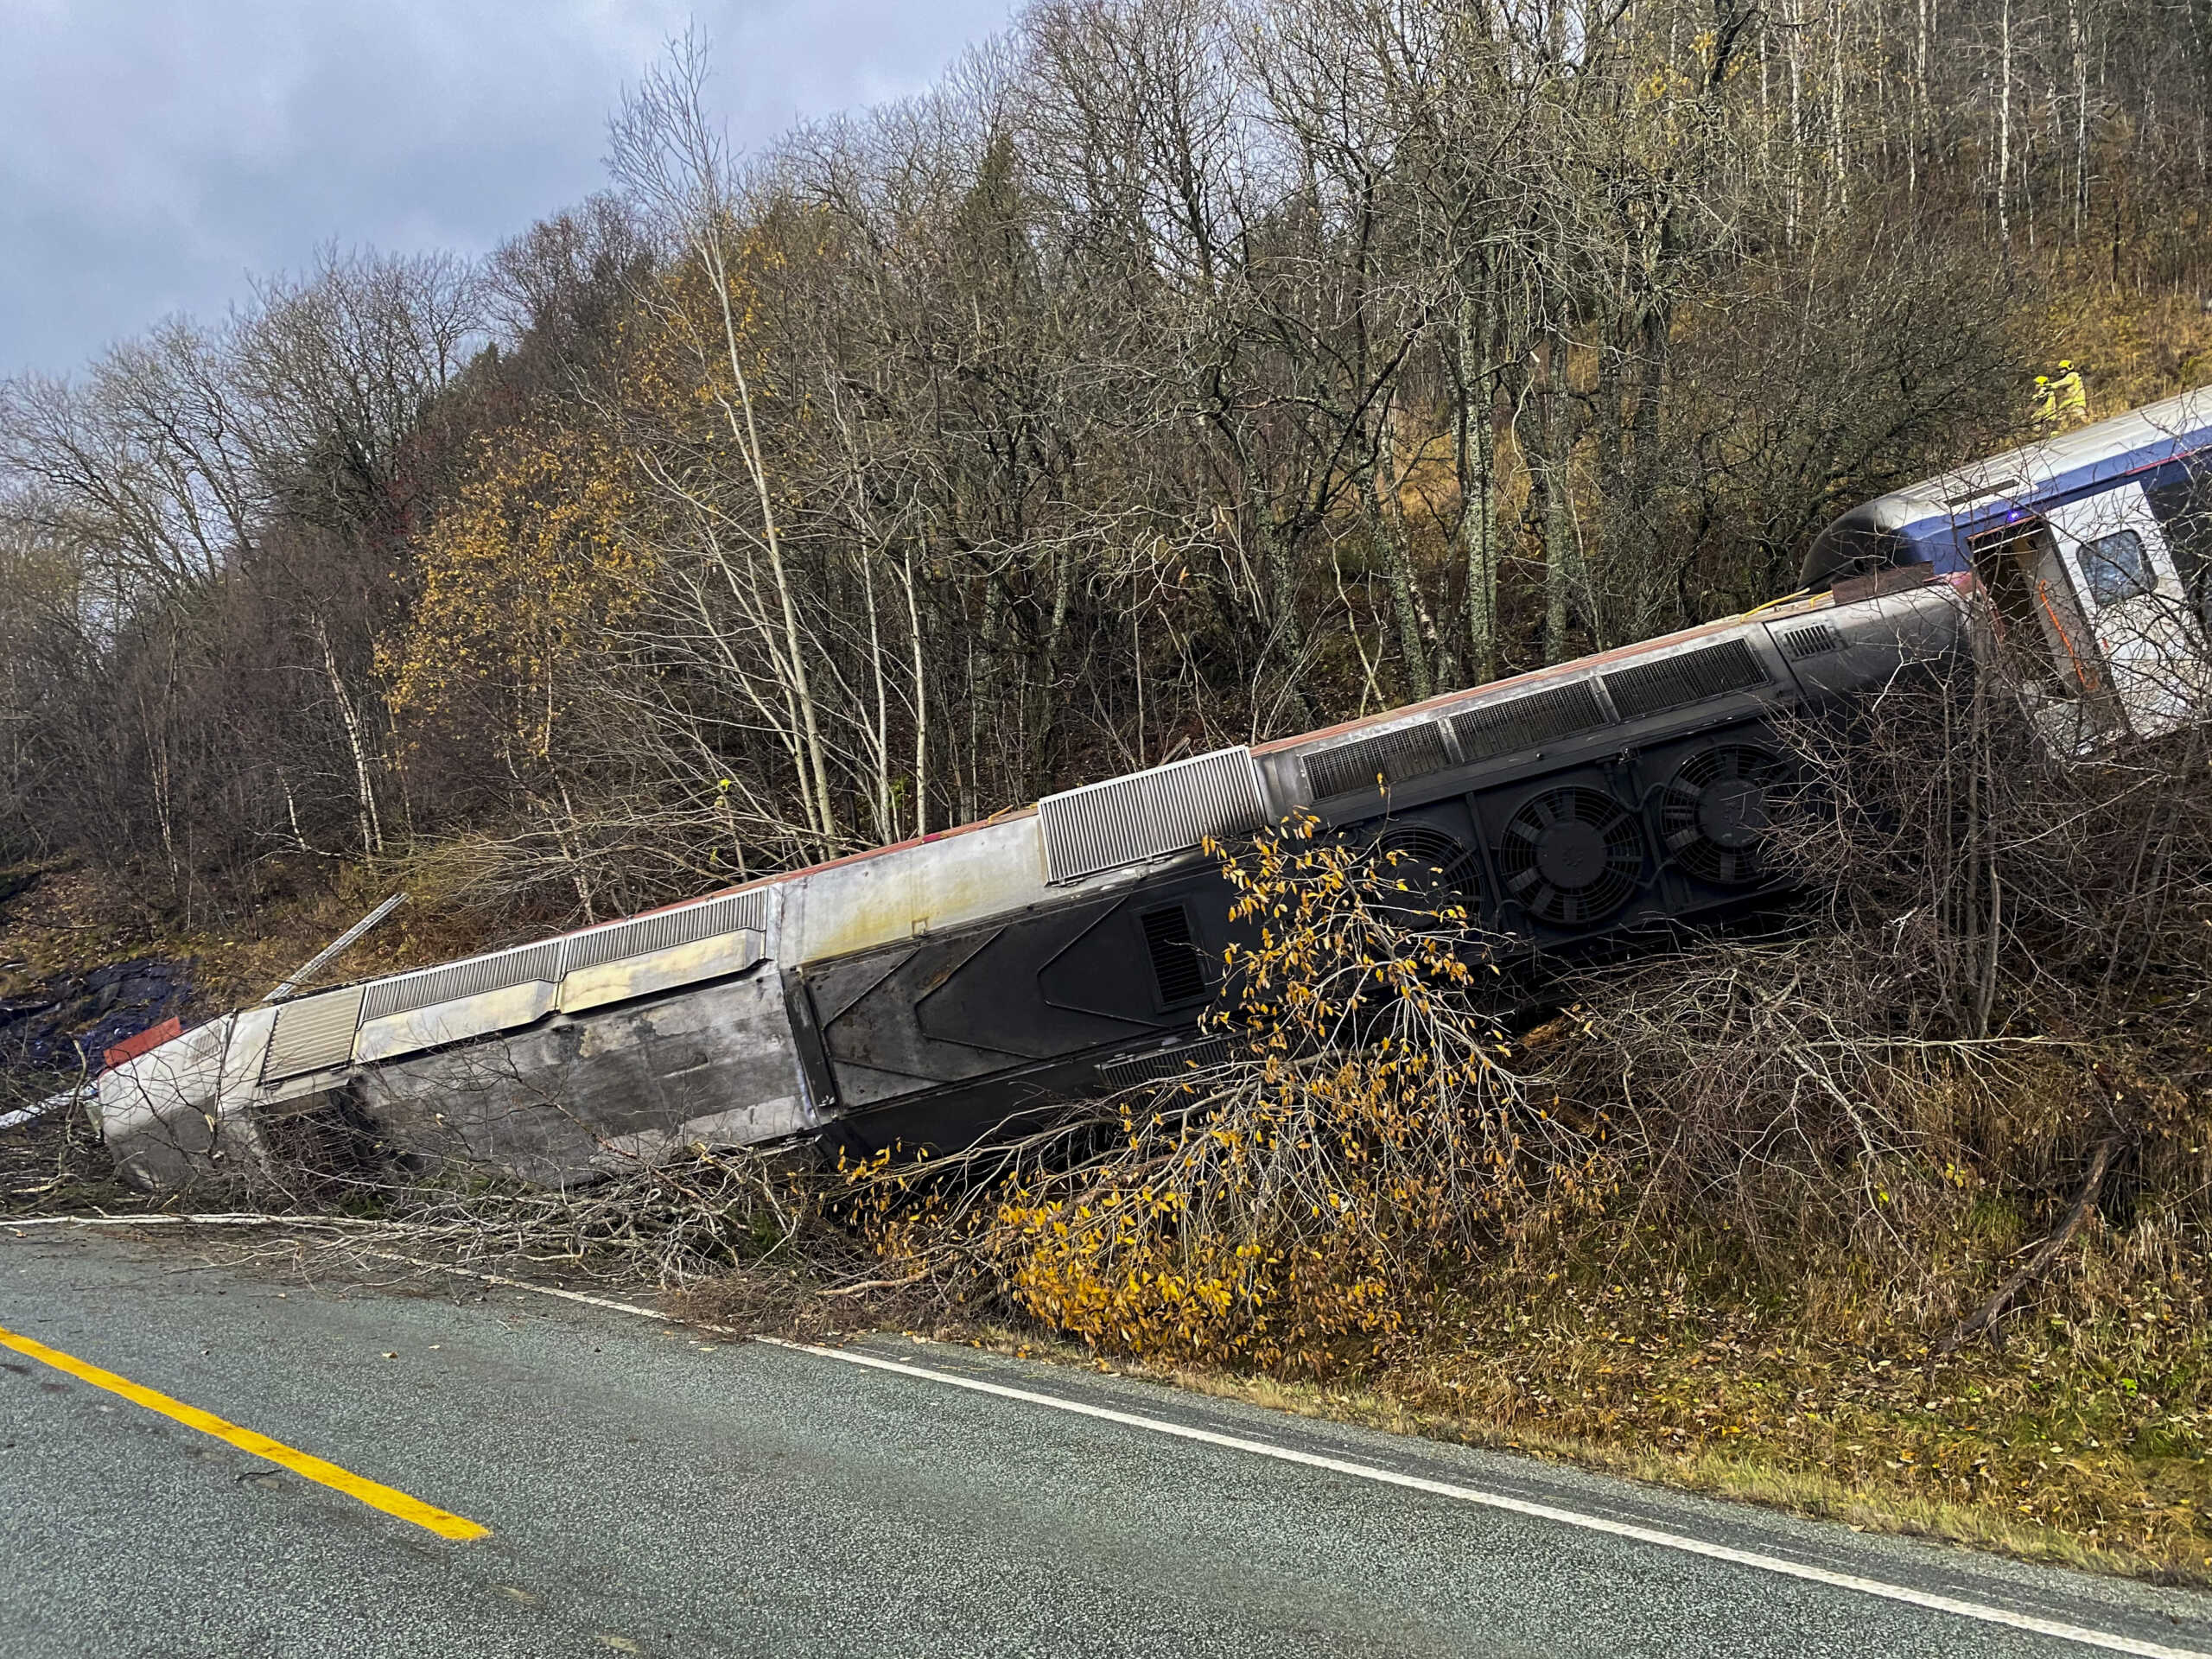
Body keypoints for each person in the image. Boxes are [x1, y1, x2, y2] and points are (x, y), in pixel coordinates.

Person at [2051, 359, 2089, 426]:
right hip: (2071, 403)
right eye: (2060, 370)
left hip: (2076, 402)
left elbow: (2063, 383)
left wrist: (2050, 386)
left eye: (2063, 369)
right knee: (2064, 420)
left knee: (2083, 419)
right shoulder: (2072, 376)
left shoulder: (2072, 375)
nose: (2061, 371)